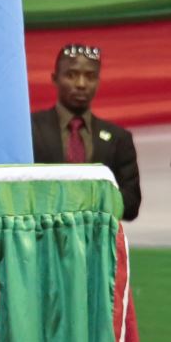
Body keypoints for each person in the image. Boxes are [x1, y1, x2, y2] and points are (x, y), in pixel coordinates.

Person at [31, 44, 141, 221]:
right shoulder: (31, 130)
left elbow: (131, 206)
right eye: (71, 75)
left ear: (98, 81)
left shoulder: (119, 138)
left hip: (97, 243)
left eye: (90, 76)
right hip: (42, 239)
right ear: (54, 78)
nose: (81, 84)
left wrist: (90, 198)